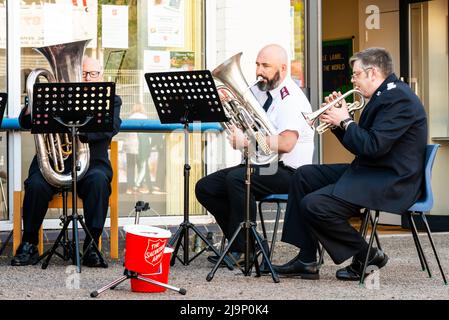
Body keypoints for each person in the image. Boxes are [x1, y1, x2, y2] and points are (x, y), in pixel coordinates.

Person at [273, 47, 428, 280]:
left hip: (392, 180)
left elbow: (372, 146)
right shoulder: (383, 95)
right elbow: (361, 146)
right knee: (303, 175)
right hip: (371, 170)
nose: (352, 80)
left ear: (372, 72)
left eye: (355, 74)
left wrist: (345, 120)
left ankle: (367, 254)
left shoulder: (399, 99)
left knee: (315, 205)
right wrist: (337, 124)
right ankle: (306, 259)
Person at [195, 44, 314, 265]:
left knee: (238, 179)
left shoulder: (291, 98)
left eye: (266, 66)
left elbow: (286, 143)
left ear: (284, 68)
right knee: (205, 187)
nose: (259, 70)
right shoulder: (262, 91)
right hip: (266, 166)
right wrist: (226, 103)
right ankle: (246, 243)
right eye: (258, 64)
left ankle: (246, 248)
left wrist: (248, 141)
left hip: (291, 173)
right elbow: (250, 124)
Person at [11, 57, 122, 268]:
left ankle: (91, 246)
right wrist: (32, 102)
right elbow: (25, 122)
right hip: (54, 162)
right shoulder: (56, 97)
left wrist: (79, 133)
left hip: (91, 164)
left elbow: (112, 127)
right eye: (83, 74)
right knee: (35, 185)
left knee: (99, 182)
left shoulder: (111, 100)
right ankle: (29, 244)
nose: (88, 79)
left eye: (93, 74)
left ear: (101, 76)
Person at [123, 102, 150, 194]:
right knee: (141, 167)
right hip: (141, 146)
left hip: (130, 146)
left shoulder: (130, 118)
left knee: (130, 167)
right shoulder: (145, 118)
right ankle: (140, 186)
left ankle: (129, 188)